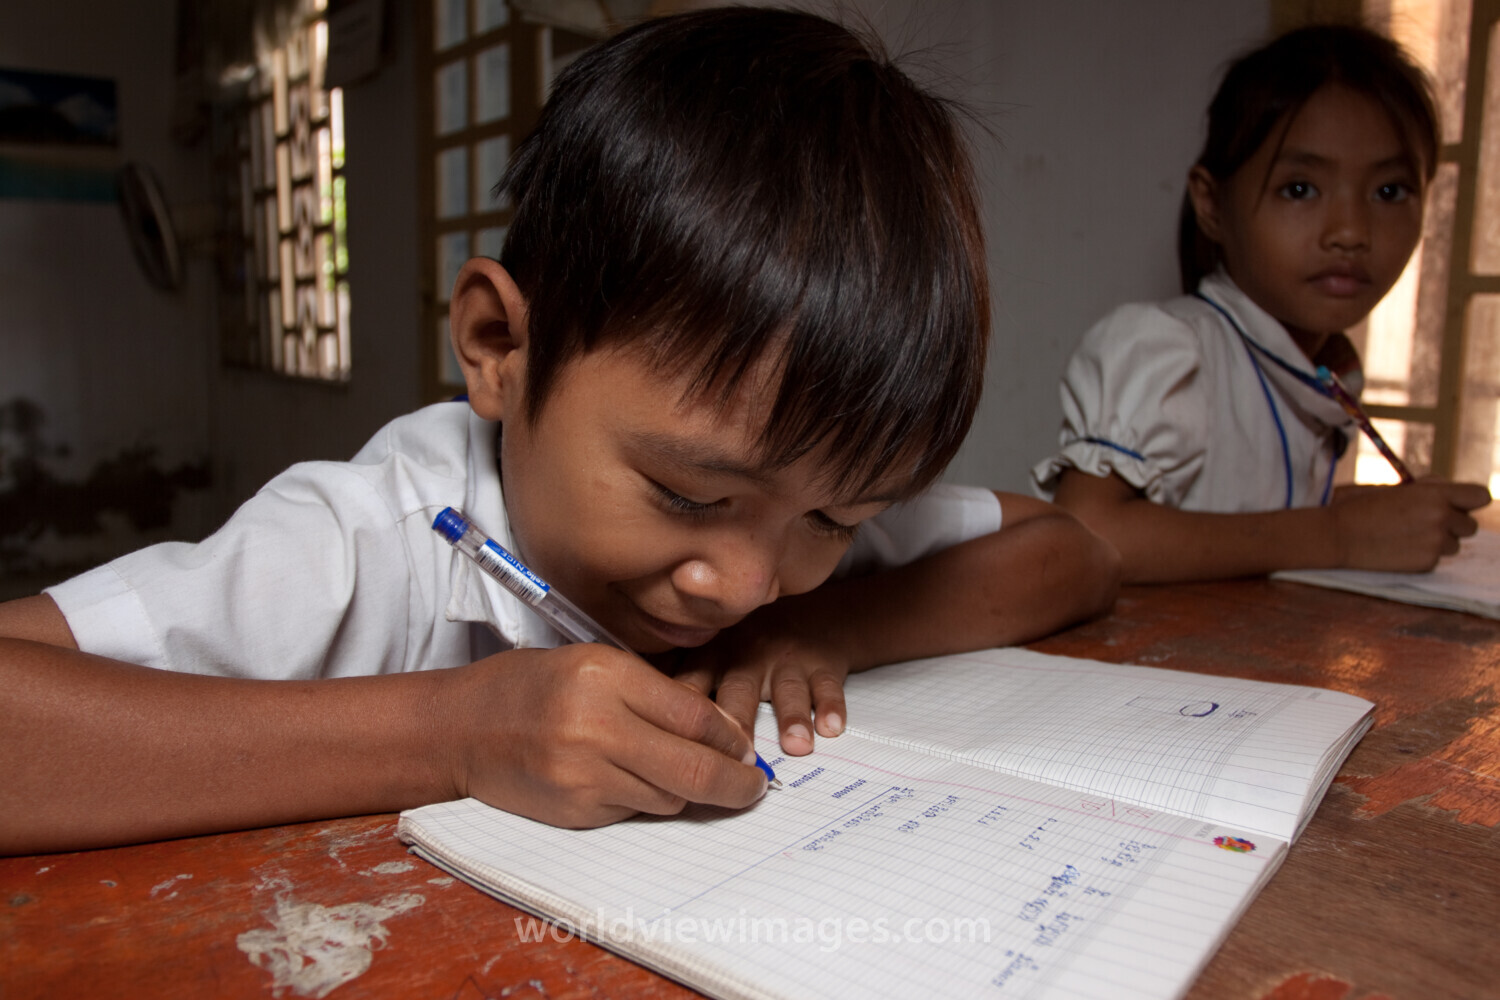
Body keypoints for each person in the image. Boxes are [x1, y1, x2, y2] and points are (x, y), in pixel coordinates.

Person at [0, 8, 1118, 855]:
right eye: (685, 495)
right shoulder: (359, 544)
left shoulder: (781, 519)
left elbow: (1071, 552)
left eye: (836, 516)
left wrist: (826, 633)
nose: (740, 581)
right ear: (497, 346)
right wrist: (453, 732)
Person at [1032, 24, 1490, 584]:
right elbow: (1085, 531)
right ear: (1211, 204)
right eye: (1300, 188)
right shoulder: (1171, 349)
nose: (1350, 231)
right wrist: (1340, 535)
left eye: (1389, 191)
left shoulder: (1328, 370)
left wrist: (1351, 516)